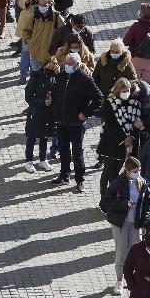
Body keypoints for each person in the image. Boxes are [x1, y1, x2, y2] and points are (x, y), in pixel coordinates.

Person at [51, 53, 105, 193]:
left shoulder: (85, 79)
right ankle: (64, 175)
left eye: (70, 65)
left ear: (78, 65)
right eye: (66, 64)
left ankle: (80, 180)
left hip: (76, 123)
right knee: (63, 150)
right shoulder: (62, 76)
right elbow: (57, 93)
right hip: (61, 121)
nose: (67, 67)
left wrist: (85, 113)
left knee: (77, 152)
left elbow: (99, 98)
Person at [100, 156, 150, 296]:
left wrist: (144, 222)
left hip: (135, 224)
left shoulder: (143, 183)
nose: (138, 173)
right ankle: (119, 281)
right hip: (121, 225)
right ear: (127, 171)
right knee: (121, 253)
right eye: (135, 171)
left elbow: (147, 204)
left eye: (139, 170)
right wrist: (123, 204)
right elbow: (105, 203)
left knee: (138, 253)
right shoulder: (118, 183)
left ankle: (137, 279)